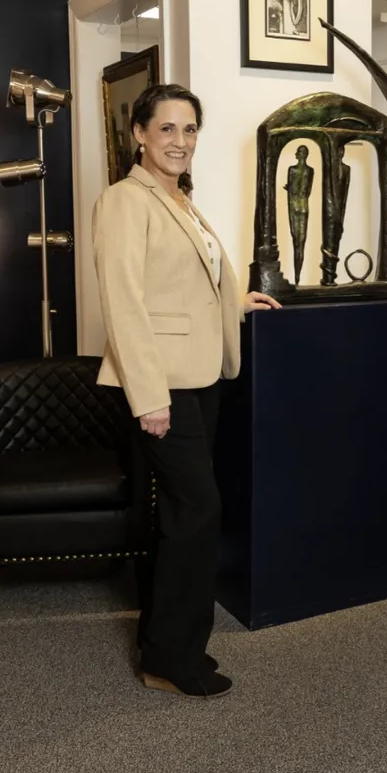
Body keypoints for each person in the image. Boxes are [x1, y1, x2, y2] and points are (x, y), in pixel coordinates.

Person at [92, 83, 282, 698]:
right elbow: (125, 303)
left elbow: (196, 281)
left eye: (190, 130)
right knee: (196, 513)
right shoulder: (125, 200)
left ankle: (165, 646)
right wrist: (148, 397)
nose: (180, 141)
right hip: (163, 387)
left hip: (201, 378)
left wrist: (238, 302)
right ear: (139, 134)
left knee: (185, 514)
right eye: (167, 129)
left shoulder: (181, 201)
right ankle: (172, 657)